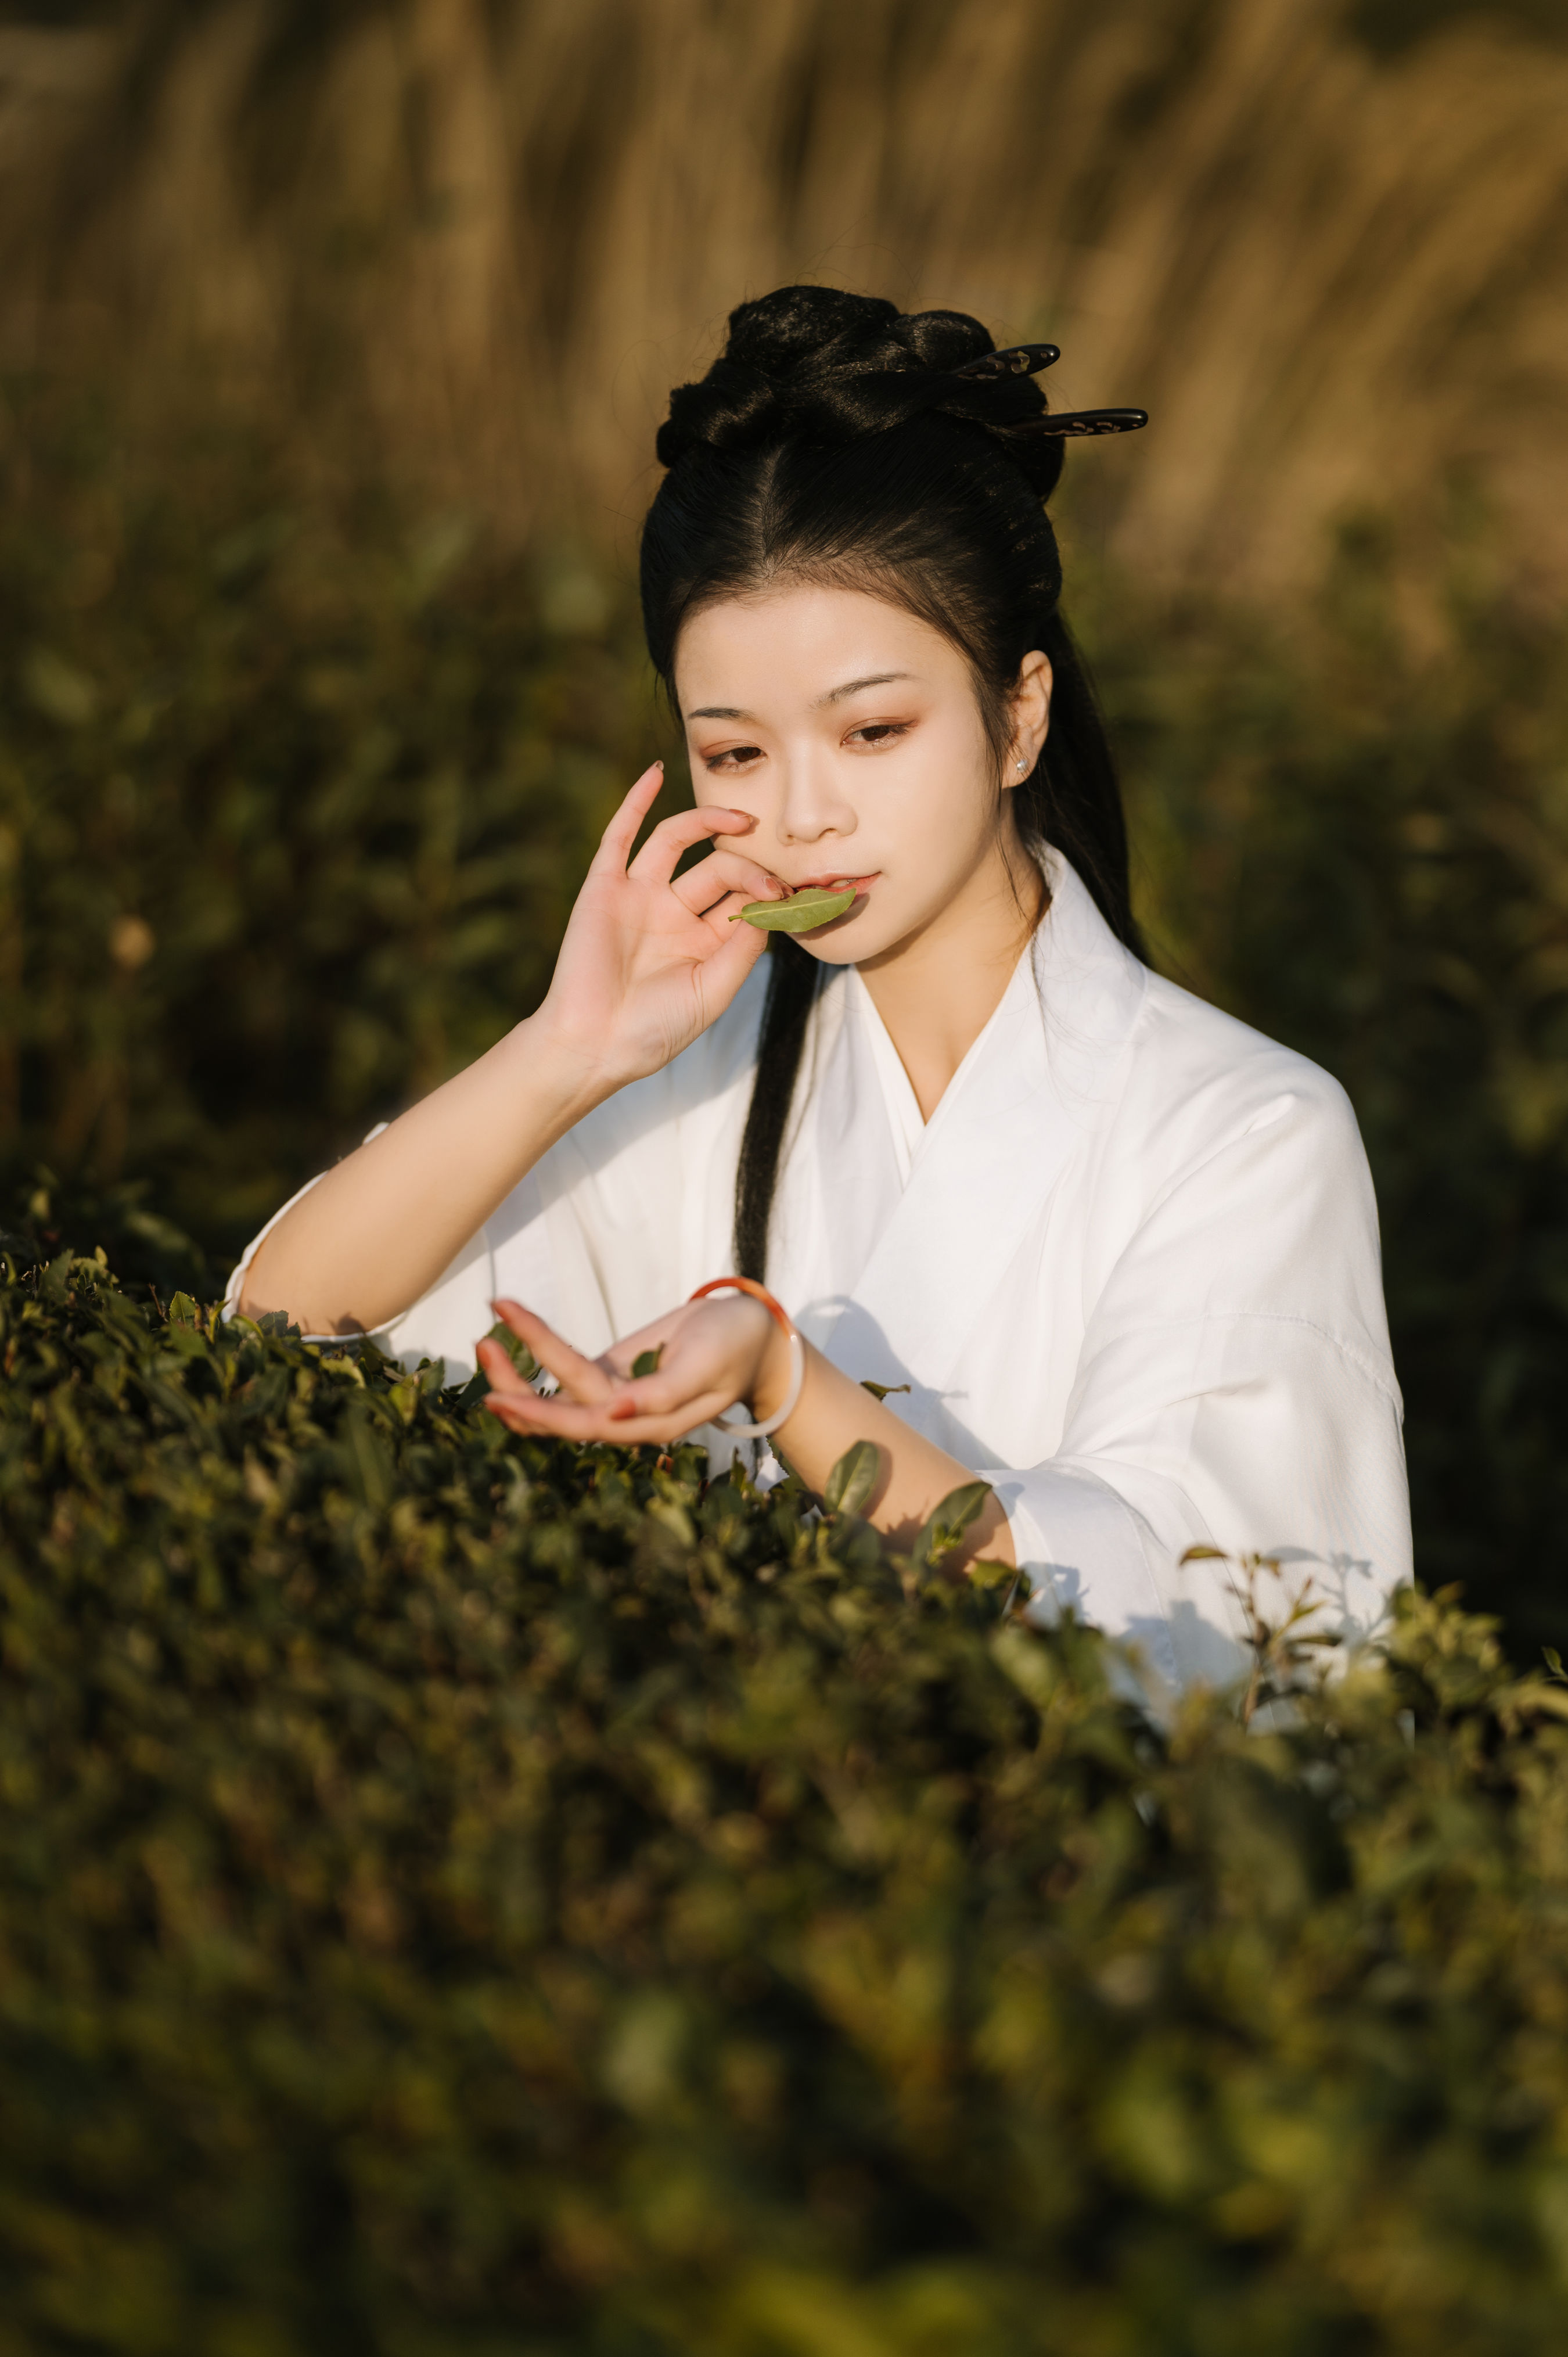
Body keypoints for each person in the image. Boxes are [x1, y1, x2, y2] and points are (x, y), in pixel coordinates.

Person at [231, 285, 1412, 1693]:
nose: (801, 816)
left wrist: (784, 1381)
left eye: (873, 730)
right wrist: (564, 1053)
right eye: (735, 755)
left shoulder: (1247, 1131)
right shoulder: (692, 1073)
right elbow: (279, 1342)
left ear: (1018, 713)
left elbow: (1201, 1629)